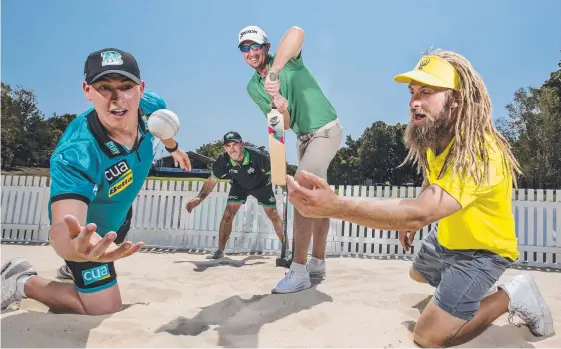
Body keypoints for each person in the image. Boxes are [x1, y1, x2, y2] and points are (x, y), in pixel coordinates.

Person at [285, 49, 554, 347]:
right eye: (413, 91)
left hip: (483, 251)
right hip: (447, 237)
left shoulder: (481, 153)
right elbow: (432, 181)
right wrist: (413, 217)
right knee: (417, 274)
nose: (414, 101)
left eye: (427, 91)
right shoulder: (436, 137)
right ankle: (457, 293)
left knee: (429, 336)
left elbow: (421, 212)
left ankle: (511, 294)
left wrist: (336, 206)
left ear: (457, 99)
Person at [1, 48, 192, 315]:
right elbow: (62, 227)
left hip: (120, 215)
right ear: (87, 90)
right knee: (103, 308)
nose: (118, 98)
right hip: (90, 235)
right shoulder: (76, 152)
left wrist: (174, 148)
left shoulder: (152, 106)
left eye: (126, 86)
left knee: (100, 253)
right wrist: (77, 249)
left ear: (141, 89)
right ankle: (21, 280)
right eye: (104, 87)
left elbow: (162, 127)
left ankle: (72, 269)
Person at [238, 25, 343, 293]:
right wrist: (278, 105)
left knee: (300, 192)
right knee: (317, 200)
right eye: (244, 48)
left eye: (255, 46)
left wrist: (273, 74)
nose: (250, 52)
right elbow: (281, 124)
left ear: (266, 47)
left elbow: (297, 31)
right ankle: (317, 263)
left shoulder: (288, 61)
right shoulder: (253, 88)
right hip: (302, 139)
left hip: (326, 130)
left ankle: (298, 271)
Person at [186, 131, 287, 259]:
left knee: (273, 214)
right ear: (224, 148)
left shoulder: (259, 156)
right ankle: (220, 251)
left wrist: (287, 187)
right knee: (228, 215)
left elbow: (277, 171)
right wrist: (199, 198)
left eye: (235, 144)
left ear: (242, 144)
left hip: (261, 184)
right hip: (239, 185)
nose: (232, 148)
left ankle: (287, 250)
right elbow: (211, 181)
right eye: (228, 146)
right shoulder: (223, 160)